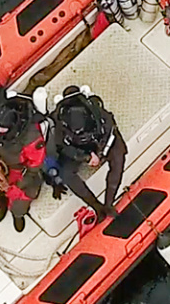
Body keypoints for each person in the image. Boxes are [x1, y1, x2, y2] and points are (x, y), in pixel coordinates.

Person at [43, 85, 126, 223]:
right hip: (78, 149)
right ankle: (96, 206)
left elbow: (111, 131)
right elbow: (62, 146)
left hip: (100, 143)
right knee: (66, 173)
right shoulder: (60, 121)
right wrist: (85, 157)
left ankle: (109, 203)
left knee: (119, 156)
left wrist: (100, 153)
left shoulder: (97, 112)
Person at [0, 91, 47, 231]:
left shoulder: (31, 137)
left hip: (20, 169)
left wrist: (18, 186)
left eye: (3, 129)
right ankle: (0, 201)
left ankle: (17, 214)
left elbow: (34, 166)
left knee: (21, 199)